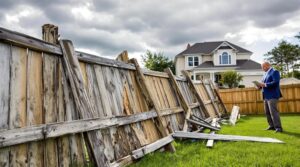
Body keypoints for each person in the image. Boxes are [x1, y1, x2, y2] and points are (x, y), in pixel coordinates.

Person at [258, 62, 283, 133]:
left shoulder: (275, 72)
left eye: (263, 67)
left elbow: (275, 82)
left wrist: (265, 84)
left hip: (273, 95)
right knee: (267, 112)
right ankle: (271, 126)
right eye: (262, 67)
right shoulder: (265, 74)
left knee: (273, 112)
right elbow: (263, 84)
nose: (262, 68)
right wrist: (259, 86)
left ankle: (278, 128)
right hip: (265, 96)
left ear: (268, 66)